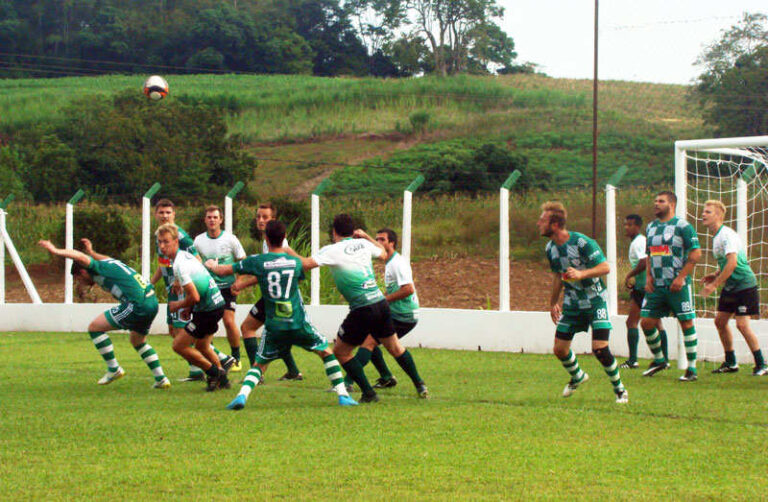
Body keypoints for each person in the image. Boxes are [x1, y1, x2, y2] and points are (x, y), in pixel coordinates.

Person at [205, 220, 357, 409]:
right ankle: (343, 395)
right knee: (325, 351)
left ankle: (241, 396)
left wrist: (212, 265)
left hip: (274, 324)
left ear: (266, 238)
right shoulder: (294, 263)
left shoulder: (257, 261)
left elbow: (225, 270)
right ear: (284, 238)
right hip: (297, 322)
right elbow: (299, 275)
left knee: (259, 364)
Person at [301, 214, 428, 403]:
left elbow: (305, 265)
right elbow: (383, 254)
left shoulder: (331, 250)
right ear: (353, 232)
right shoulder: (364, 245)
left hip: (363, 308)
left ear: (334, 232)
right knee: (393, 347)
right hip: (381, 305)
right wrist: (367, 238)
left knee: (341, 351)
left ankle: (368, 392)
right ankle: (419, 384)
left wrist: (285, 252)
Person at [38, 238, 170, 388]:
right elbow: (105, 258)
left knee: (95, 327)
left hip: (137, 304)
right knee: (137, 341)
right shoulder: (108, 263)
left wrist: (55, 250)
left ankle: (114, 369)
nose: (80, 283)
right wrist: (92, 252)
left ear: (82, 271)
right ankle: (161, 378)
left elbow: (79, 257)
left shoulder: (96, 268)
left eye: (79, 279)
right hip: (151, 301)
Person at [538, 202, 628, 403]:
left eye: (542, 220)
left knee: (599, 348)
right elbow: (557, 277)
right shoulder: (550, 248)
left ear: (554, 224)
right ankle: (578, 375)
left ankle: (620, 390)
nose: (538, 223)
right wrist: (553, 303)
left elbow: (605, 267)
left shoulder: (581, 242)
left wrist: (581, 273)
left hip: (595, 301)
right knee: (559, 349)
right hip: (572, 304)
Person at [150, 199, 231, 381]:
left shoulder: (182, 244)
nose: (164, 216)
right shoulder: (164, 240)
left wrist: (181, 301)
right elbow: (163, 265)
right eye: (161, 212)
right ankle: (219, 372)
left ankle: (215, 370)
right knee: (187, 336)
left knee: (180, 341)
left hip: (199, 299)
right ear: (155, 214)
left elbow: (196, 265)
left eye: (168, 212)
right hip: (199, 298)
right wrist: (153, 283)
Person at [343, 228, 419, 390]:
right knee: (372, 340)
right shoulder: (390, 262)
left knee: (369, 342)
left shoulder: (398, 263)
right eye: (377, 239)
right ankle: (388, 378)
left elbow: (408, 289)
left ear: (392, 243)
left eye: (382, 240)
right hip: (395, 312)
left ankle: (347, 382)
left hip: (404, 315)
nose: (379, 243)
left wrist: (383, 299)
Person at [236, 203, 303, 381]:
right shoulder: (269, 242)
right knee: (278, 334)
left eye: (265, 217)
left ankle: (256, 374)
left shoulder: (279, 244)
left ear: (273, 220)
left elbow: (272, 269)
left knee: (247, 327)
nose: (260, 220)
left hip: (278, 297)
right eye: (258, 216)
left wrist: (242, 284)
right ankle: (294, 371)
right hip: (278, 296)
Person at [700, 200, 767, 375]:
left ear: (718, 216)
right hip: (731, 286)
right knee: (720, 322)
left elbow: (733, 263)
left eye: (708, 212)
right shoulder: (716, 237)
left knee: (742, 325)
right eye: (703, 211)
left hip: (744, 285)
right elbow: (725, 264)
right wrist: (714, 275)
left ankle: (761, 364)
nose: (703, 214)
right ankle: (731, 362)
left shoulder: (727, 235)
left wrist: (714, 285)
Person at [641, 191, 702, 381]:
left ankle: (691, 369)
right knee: (646, 322)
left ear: (672, 204)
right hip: (656, 285)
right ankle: (660, 360)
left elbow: (696, 253)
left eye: (661, 201)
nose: (656, 204)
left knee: (686, 323)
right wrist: (649, 277)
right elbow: (650, 254)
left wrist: (681, 277)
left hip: (678, 285)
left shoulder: (683, 226)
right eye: (655, 201)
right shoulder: (650, 227)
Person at [194, 205, 246, 371]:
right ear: (205, 220)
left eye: (215, 217)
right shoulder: (199, 240)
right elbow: (195, 263)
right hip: (209, 288)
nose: (212, 220)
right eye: (209, 217)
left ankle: (236, 358)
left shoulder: (230, 239)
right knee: (207, 323)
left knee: (229, 322)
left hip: (227, 288)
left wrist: (239, 282)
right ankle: (212, 355)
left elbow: (242, 261)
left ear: (221, 220)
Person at [621, 214, 668, 368]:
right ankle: (664, 360)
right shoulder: (639, 241)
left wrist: (629, 275)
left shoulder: (639, 242)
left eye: (629, 225)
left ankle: (634, 360)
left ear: (637, 227)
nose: (626, 228)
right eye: (625, 224)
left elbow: (643, 263)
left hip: (645, 289)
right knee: (654, 323)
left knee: (634, 322)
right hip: (642, 288)